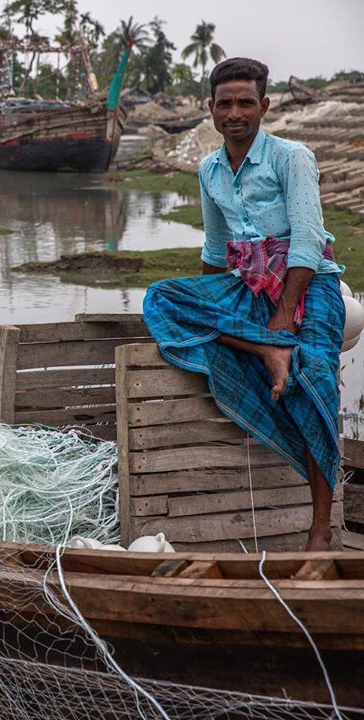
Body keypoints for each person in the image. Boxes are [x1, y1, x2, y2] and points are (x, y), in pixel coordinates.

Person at [143, 58, 345, 551]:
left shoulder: (290, 157)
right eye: (225, 103)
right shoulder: (209, 169)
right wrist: (214, 304)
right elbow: (215, 252)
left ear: (264, 107)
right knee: (161, 298)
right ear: (210, 109)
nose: (235, 112)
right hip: (246, 284)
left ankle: (319, 530)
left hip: (307, 283)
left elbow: (307, 243)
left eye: (245, 103)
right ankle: (263, 353)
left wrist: (280, 320)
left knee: (314, 375)